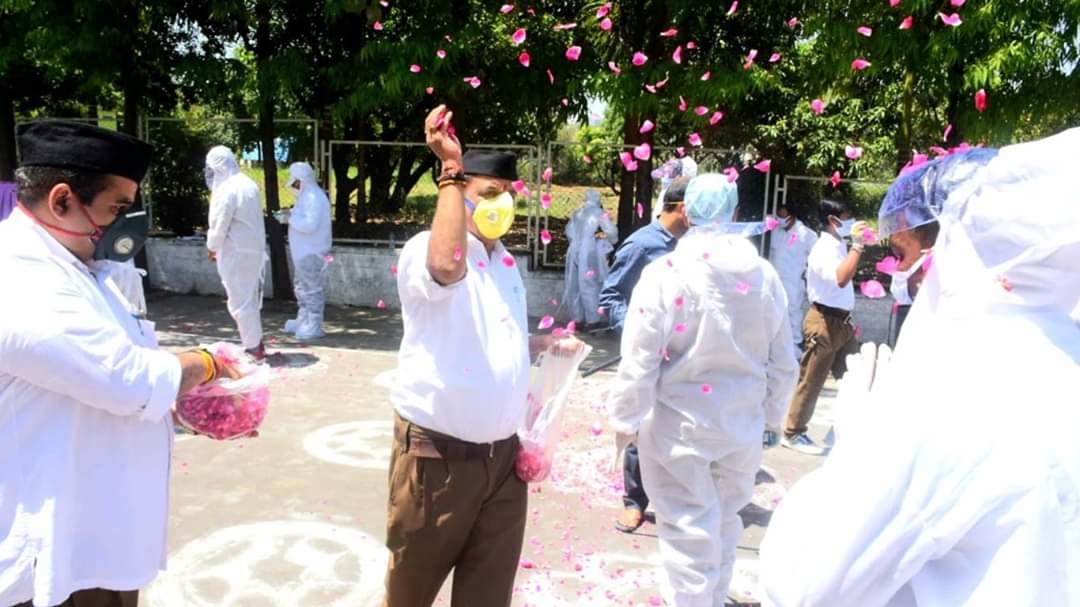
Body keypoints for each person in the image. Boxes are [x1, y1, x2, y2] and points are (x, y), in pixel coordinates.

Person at [760, 129, 1080, 607]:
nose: (905, 271)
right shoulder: (1062, 353)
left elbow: (806, 584)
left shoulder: (953, 393)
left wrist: (858, 441)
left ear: (957, 242)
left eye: (906, 254)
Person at [0, 120, 236, 607]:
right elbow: (125, 378)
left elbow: (113, 365)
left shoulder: (72, 262)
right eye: (117, 209)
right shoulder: (21, 278)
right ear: (63, 200)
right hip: (55, 557)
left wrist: (181, 400)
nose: (122, 225)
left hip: (96, 536)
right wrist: (209, 363)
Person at [384, 105, 583, 607]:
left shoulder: (505, 262)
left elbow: (488, 337)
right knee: (410, 595)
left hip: (502, 463)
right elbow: (446, 267)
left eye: (508, 196)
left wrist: (539, 347)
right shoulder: (428, 251)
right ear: (460, 194)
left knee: (487, 597)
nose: (502, 206)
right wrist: (449, 170)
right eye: (488, 195)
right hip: (439, 460)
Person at [608, 173, 799, 606]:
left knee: (686, 536)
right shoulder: (763, 275)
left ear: (688, 213)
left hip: (679, 430)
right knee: (725, 526)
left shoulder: (665, 273)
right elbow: (783, 360)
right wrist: (771, 419)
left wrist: (625, 423)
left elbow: (639, 360)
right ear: (735, 214)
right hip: (740, 428)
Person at [599, 176, 692, 533]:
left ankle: (674, 498)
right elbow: (610, 299)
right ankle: (635, 502)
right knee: (640, 428)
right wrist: (642, 336)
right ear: (683, 209)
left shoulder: (689, 247)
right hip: (649, 354)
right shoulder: (644, 245)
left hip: (683, 355)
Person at [781, 198, 872, 455]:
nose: (852, 222)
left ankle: (845, 429)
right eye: (847, 217)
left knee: (856, 377)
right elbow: (841, 279)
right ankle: (793, 432)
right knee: (812, 380)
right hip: (823, 321)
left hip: (841, 323)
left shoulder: (838, 245)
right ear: (834, 221)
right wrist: (857, 247)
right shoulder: (823, 248)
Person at [205, 146, 267, 360]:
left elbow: (219, 224)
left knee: (239, 301)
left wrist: (212, 247)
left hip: (235, 251)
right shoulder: (248, 183)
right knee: (249, 298)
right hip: (254, 250)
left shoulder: (226, 190)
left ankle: (252, 347)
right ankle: (256, 341)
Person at [278, 162, 333, 341]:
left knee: (311, 287)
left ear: (301, 180)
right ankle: (304, 318)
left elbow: (309, 225)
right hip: (303, 251)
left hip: (312, 251)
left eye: (295, 182)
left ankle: (315, 323)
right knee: (302, 286)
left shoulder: (314, 197)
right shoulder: (306, 196)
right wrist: (291, 215)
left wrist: (290, 219)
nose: (293, 185)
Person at [562, 189, 618, 326]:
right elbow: (611, 231)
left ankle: (577, 318)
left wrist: (575, 243)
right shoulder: (599, 213)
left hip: (574, 249)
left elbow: (569, 230)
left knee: (574, 283)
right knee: (589, 283)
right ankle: (593, 320)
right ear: (598, 200)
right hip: (588, 250)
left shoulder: (578, 212)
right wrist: (610, 241)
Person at [768, 205, 818, 350]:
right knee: (774, 313)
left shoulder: (807, 234)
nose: (781, 220)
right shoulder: (774, 231)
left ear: (793, 216)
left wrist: (807, 276)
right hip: (775, 280)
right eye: (779, 217)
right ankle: (775, 346)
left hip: (794, 282)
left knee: (792, 314)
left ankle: (794, 346)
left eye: (784, 217)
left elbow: (815, 258)